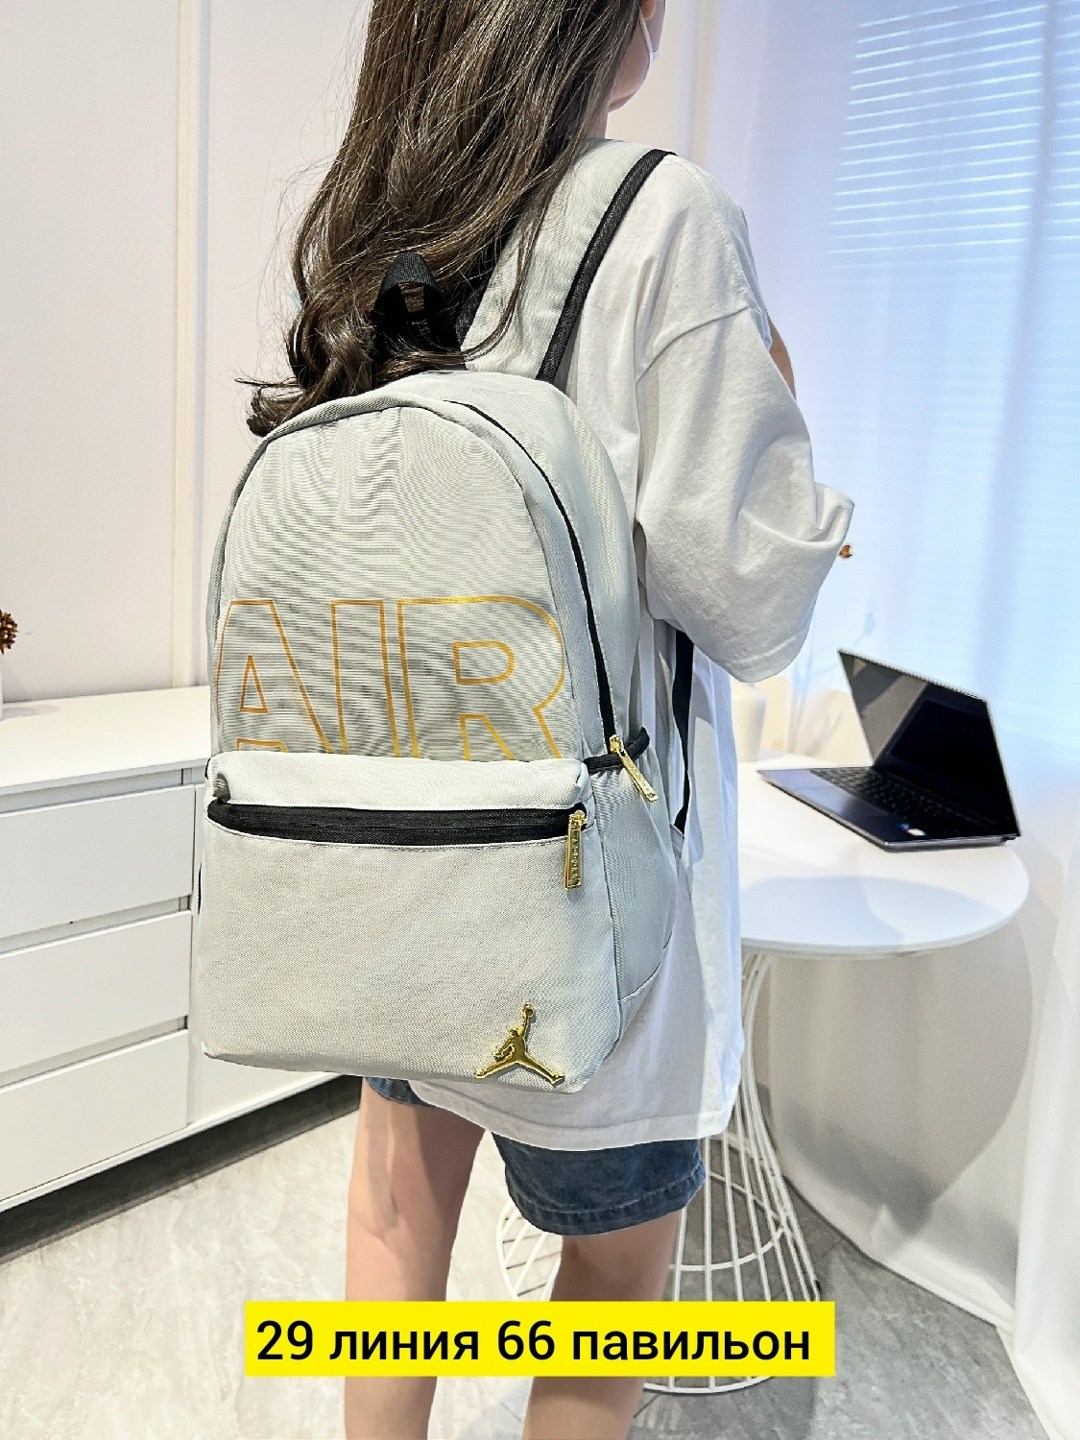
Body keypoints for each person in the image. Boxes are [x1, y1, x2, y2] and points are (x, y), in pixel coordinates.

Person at [246, 3, 853, 1437]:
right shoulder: (666, 217)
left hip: (401, 841)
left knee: (395, 1225)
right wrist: (794, 435)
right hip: (593, 898)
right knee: (608, 1294)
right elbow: (749, 605)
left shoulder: (395, 235)